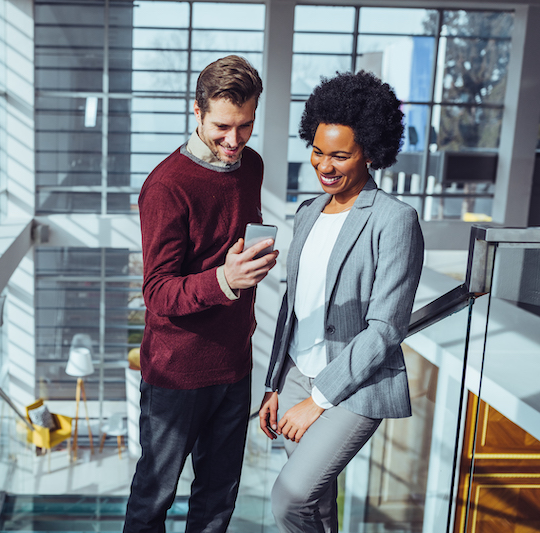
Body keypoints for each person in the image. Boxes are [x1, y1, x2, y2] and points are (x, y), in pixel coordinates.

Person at [259, 71, 424, 533]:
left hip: (353, 385)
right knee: (316, 504)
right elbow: (293, 306)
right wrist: (275, 385)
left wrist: (319, 398)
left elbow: (386, 329)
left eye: (339, 155)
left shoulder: (395, 220)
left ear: (370, 152)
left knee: (290, 498)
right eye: (316, 151)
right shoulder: (308, 211)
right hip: (295, 376)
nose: (323, 166)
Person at [124, 55, 277, 533]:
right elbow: (158, 292)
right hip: (176, 372)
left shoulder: (251, 165)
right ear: (197, 112)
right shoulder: (166, 186)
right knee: (155, 497)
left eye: (246, 126)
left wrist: (248, 267)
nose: (234, 141)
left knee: (218, 501)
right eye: (222, 127)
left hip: (233, 365)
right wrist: (226, 280)